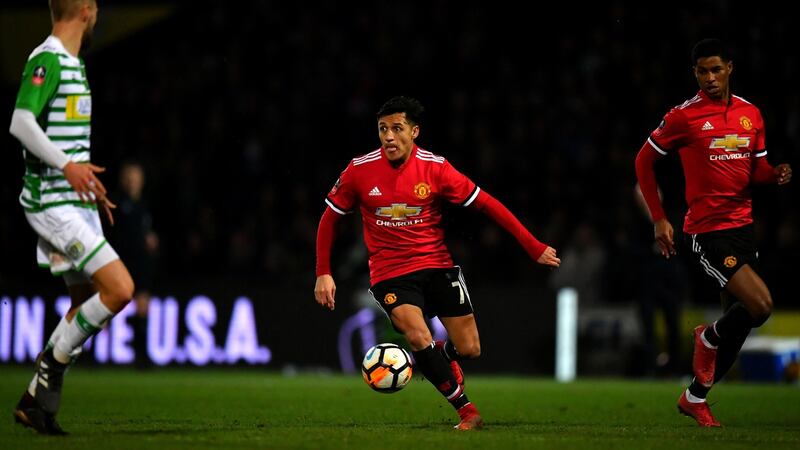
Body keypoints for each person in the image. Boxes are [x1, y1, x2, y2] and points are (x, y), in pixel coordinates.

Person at [314, 96, 560, 430]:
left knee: (470, 349)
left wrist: (532, 247)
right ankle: (466, 410)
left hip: (437, 266)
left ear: (414, 132)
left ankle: (439, 357)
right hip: (391, 274)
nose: (388, 136)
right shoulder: (359, 170)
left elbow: (487, 204)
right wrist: (323, 273)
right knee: (417, 335)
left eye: (397, 128)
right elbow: (329, 219)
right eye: (382, 129)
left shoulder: (436, 168)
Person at [634, 38, 792, 427]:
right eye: (702, 71)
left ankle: (694, 398)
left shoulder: (750, 114)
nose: (709, 78)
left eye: (716, 70)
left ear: (730, 68)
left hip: (743, 228)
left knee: (738, 327)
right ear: (695, 73)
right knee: (761, 306)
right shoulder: (684, 117)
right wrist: (659, 217)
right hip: (708, 231)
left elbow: (756, 170)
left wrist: (774, 175)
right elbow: (643, 161)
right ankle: (705, 338)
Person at [9, 0, 135, 435]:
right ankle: (50, 367)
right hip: (52, 203)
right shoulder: (48, 59)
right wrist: (67, 168)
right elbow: (21, 123)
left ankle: (34, 402)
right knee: (120, 290)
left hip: (73, 200)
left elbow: (62, 139)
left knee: (84, 305)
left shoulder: (73, 63)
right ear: (86, 9)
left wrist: (86, 184)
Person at [107, 161, 158, 368]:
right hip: (121, 261)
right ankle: (93, 352)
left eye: (136, 178)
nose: (133, 182)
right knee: (107, 307)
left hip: (141, 261)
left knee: (143, 304)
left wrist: (151, 239)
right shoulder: (117, 203)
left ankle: (141, 354)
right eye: (129, 178)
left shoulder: (144, 205)